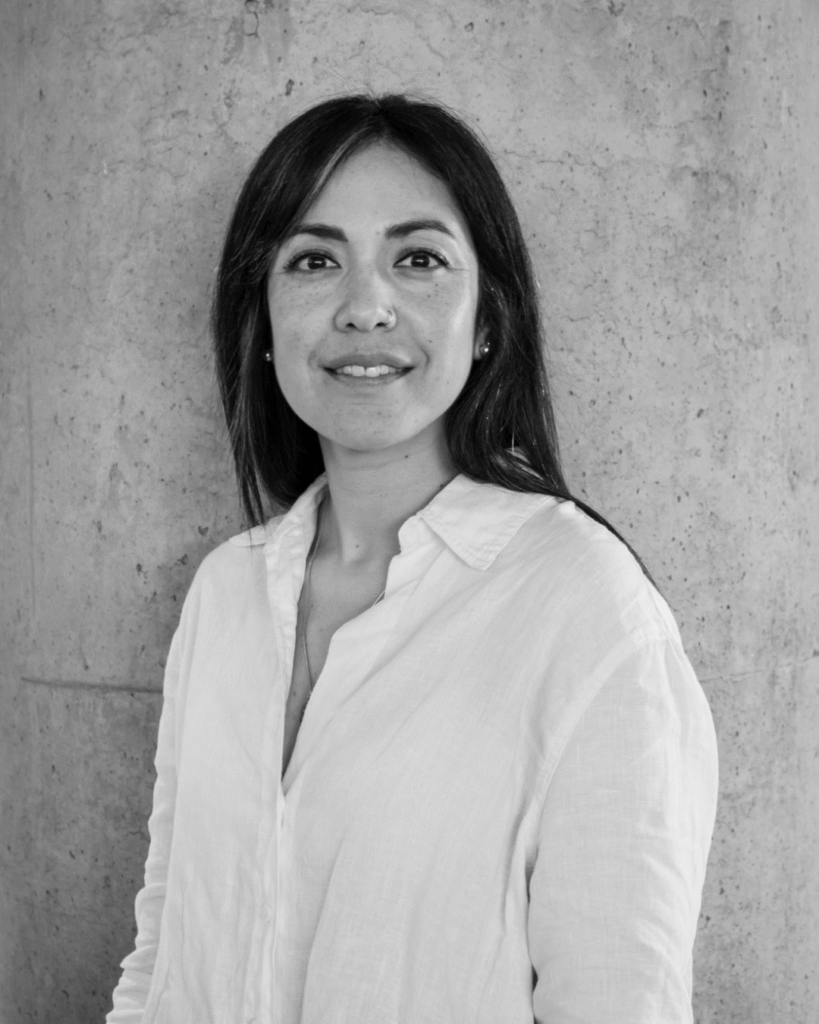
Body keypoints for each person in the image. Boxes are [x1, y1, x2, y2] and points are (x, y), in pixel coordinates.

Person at [106, 94, 718, 1024]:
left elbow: (617, 1001)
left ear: (486, 318)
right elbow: (164, 947)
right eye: (314, 261)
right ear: (262, 320)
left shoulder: (582, 606)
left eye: (418, 259)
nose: (365, 308)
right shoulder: (226, 592)